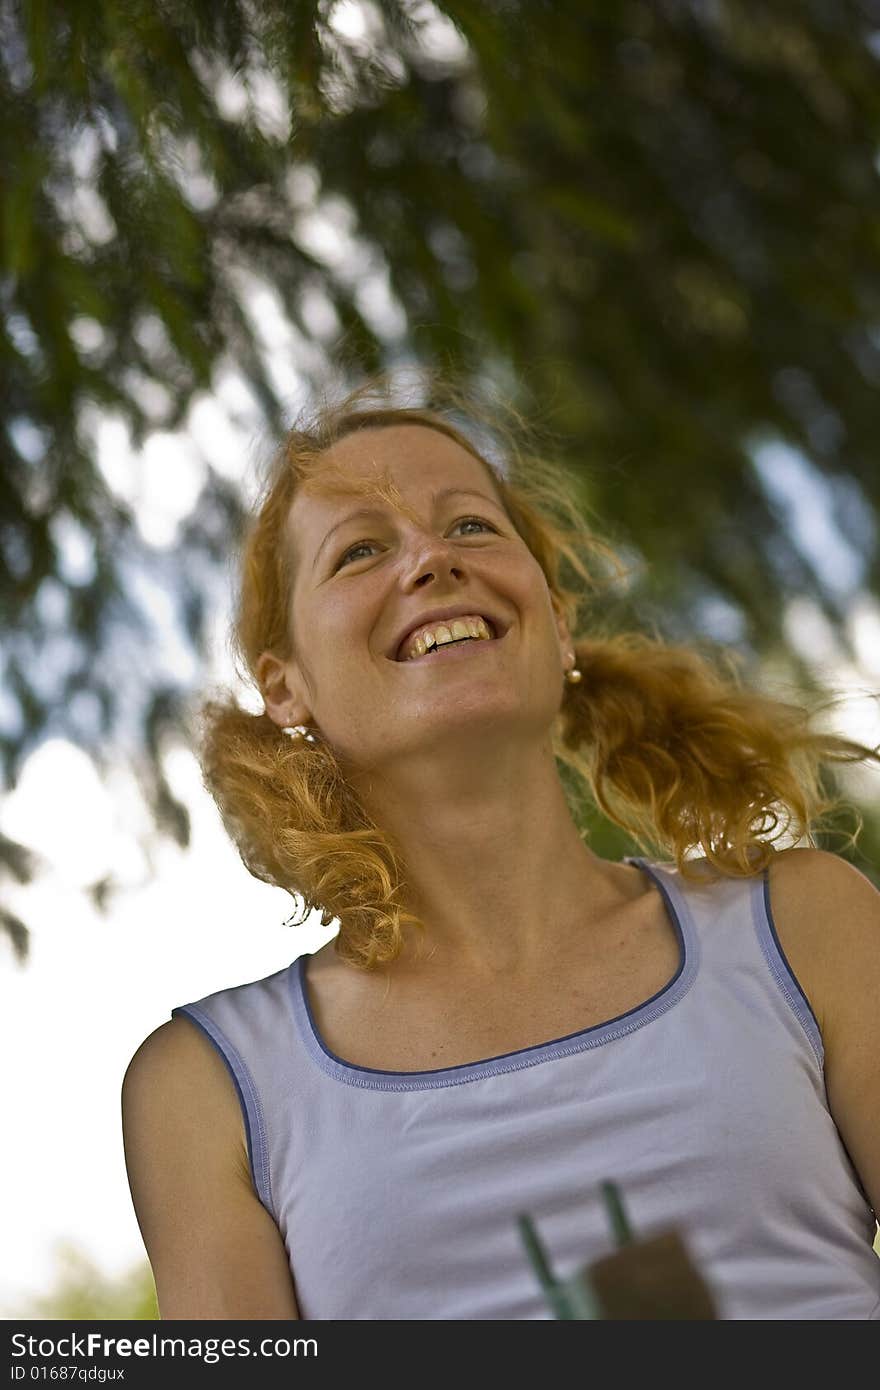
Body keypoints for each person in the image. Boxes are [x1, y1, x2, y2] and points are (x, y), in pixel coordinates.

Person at [121, 376, 880, 1320]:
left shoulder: (808, 929)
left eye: (472, 526)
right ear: (287, 689)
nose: (433, 560)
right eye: (361, 550)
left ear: (557, 618)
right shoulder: (209, 1090)